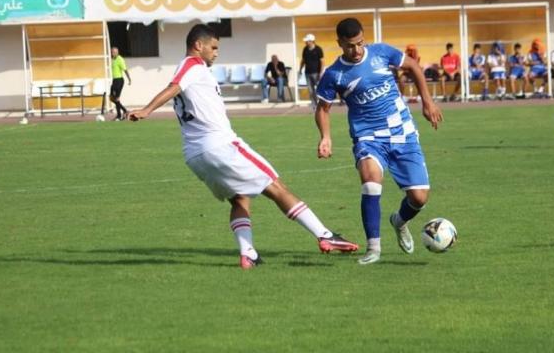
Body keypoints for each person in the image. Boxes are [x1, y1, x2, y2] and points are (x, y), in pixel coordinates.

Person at [128, 24, 358, 269]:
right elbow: (174, 86)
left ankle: (248, 254)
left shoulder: (194, 70)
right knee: (276, 186)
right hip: (220, 145)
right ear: (198, 45)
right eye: (213, 47)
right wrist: (147, 110)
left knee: (239, 198)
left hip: (195, 155)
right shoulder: (192, 65)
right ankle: (325, 235)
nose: (216, 53)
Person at [314, 18, 443, 265]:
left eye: (360, 43)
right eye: (350, 45)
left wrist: (427, 102)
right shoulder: (334, 74)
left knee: (419, 198)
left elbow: (413, 66)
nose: (356, 50)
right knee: (371, 182)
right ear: (339, 43)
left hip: (403, 132)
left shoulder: (382, 52)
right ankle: (373, 248)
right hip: (368, 137)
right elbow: (323, 109)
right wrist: (326, 137)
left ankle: (399, 221)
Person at [299, 34, 324, 108]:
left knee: (319, 89)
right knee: (311, 90)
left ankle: (322, 104)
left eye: (307, 41)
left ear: (312, 41)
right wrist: (300, 69)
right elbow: (303, 60)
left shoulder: (318, 49)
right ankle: (314, 106)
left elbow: (322, 61)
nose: (306, 42)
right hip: (307, 73)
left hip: (316, 73)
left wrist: (321, 72)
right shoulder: (305, 49)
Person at [110, 47, 132, 121]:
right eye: (112, 52)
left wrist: (129, 79)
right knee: (111, 98)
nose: (113, 53)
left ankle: (119, 116)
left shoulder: (120, 59)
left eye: (114, 52)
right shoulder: (113, 59)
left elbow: (125, 70)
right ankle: (125, 111)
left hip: (119, 80)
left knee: (116, 99)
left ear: (117, 52)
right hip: (114, 80)